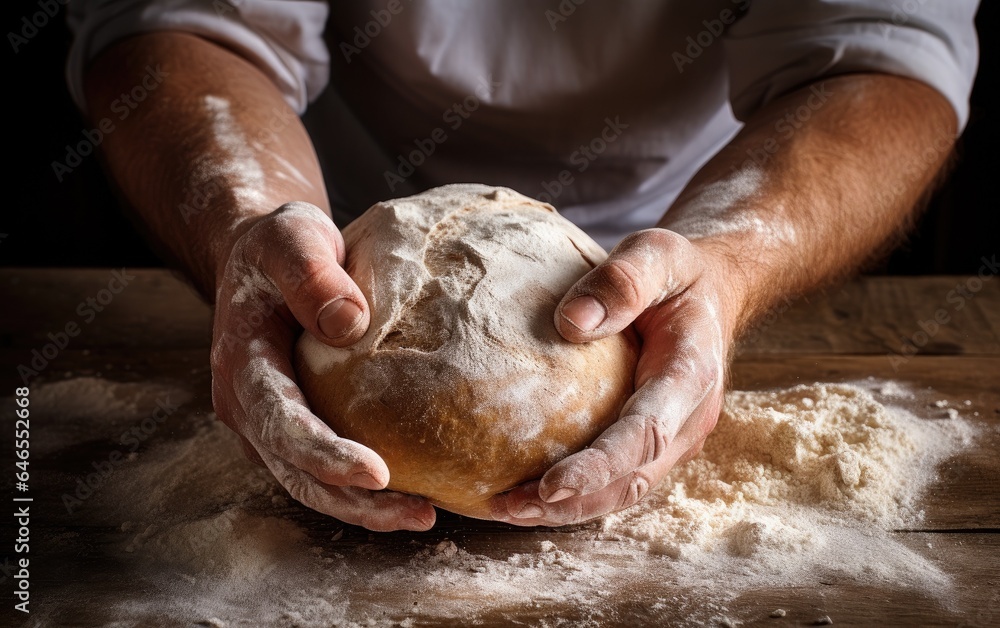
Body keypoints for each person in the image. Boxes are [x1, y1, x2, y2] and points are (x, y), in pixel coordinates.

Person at [67, 1, 979, 531]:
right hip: (330, 244)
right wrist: (247, 229)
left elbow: (881, 52)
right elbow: (179, 24)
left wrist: (729, 263)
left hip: (675, 242)